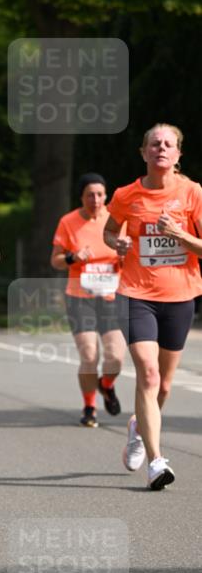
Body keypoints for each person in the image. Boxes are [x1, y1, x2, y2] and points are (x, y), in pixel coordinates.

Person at [104, 123, 202, 489]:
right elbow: (110, 230)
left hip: (179, 297)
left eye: (168, 144)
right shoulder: (126, 195)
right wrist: (118, 243)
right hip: (135, 293)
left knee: (164, 386)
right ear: (143, 153)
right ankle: (157, 462)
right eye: (154, 144)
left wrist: (179, 235)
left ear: (178, 155)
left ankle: (137, 426)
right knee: (147, 374)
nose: (161, 149)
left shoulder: (192, 192)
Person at [51, 173, 125, 427]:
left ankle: (106, 384)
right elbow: (56, 261)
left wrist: (125, 256)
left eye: (100, 195)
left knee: (116, 356)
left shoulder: (115, 219)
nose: (95, 200)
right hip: (80, 297)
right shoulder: (68, 222)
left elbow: (129, 251)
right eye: (89, 195)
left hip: (112, 297)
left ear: (106, 196)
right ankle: (90, 406)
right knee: (89, 355)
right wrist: (74, 257)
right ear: (81, 197)